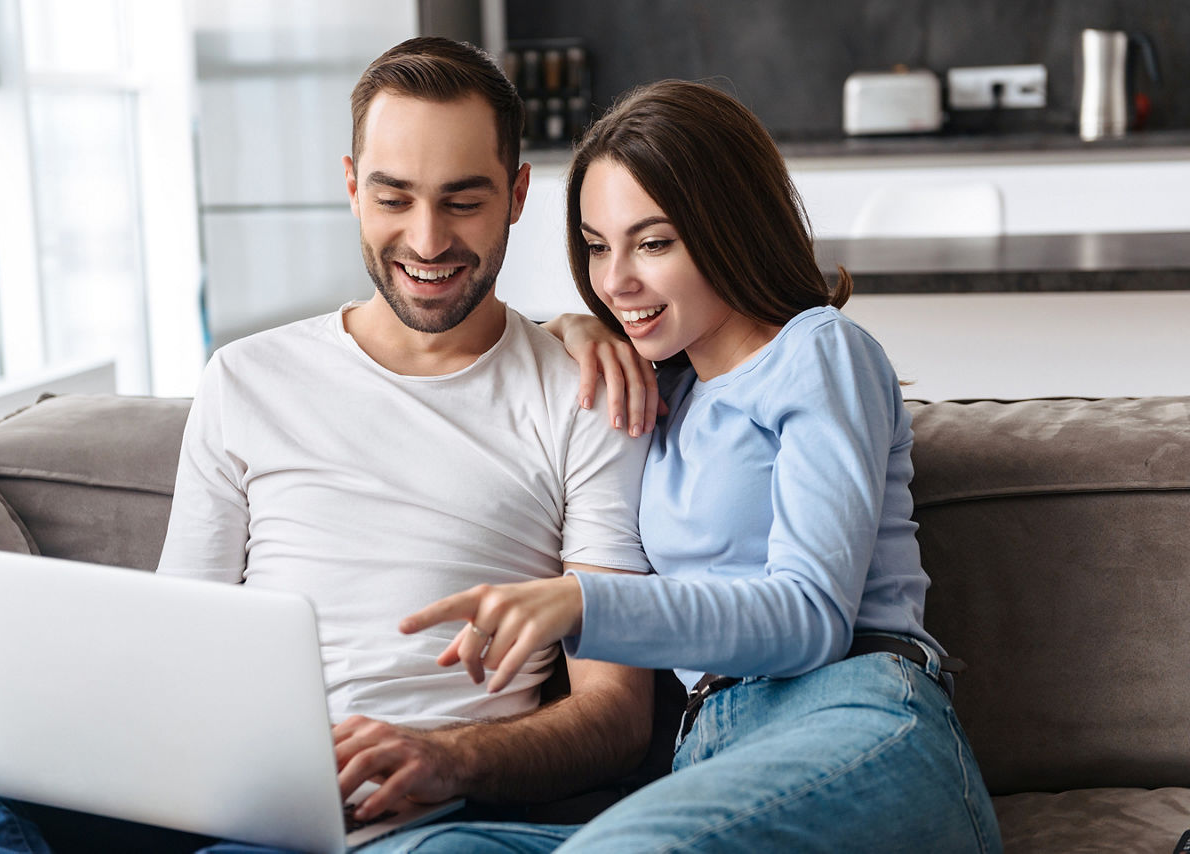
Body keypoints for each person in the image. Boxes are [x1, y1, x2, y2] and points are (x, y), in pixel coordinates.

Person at [0, 37, 655, 853]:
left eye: (463, 201)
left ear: (518, 194)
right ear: (350, 186)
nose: (428, 239)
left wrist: (449, 759)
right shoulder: (248, 377)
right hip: (220, 781)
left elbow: (616, 713)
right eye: (393, 197)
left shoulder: (586, 392)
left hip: (411, 814)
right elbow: (176, 640)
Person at [394, 79, 1005, 852]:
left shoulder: (819, 351)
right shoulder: (659, 391)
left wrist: (583, 604)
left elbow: (812, 616)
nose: (616, 281)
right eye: (596, 245)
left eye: (653, 242)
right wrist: (568, 329)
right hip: (708, 756)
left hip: (856, 716)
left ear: (729, 227)